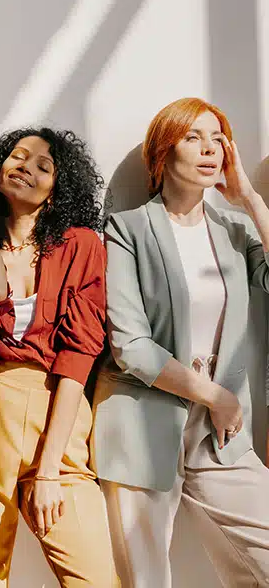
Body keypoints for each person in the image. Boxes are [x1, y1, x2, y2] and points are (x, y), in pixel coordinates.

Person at [93, 97, 269, 587]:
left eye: (218, 138)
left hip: (222, 431)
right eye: (193, 137)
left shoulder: (236, 232)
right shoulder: (126, 229)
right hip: (144, 417)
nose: (210, 149)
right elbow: (130, 344)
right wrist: (213, 395)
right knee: (146, 579)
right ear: (162, 152)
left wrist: (250, 201)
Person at [0, 127, 119, 587]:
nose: (27, 167)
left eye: (44, 165)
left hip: (58, 412)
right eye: (18, 157)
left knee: (95, 576)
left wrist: (48, 472)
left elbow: (81, 353)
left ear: (58, 190)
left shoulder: (81, 245)